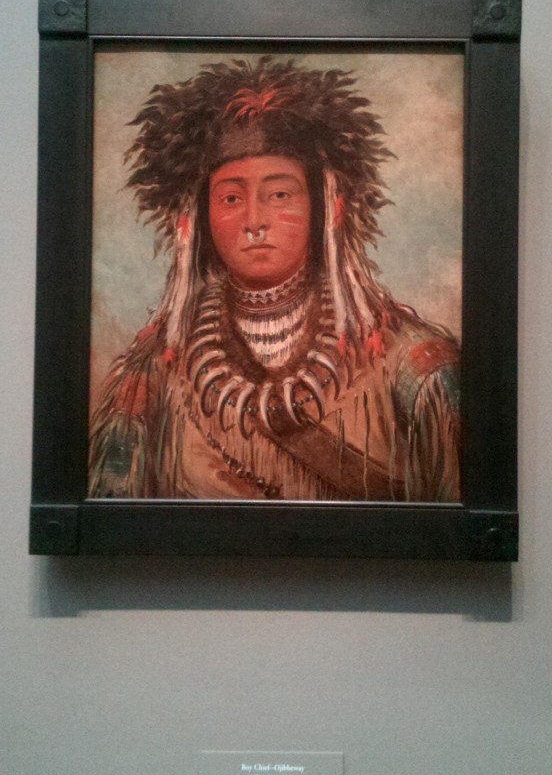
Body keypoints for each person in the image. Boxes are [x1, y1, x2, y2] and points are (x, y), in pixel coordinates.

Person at [89, 56, 460, 502]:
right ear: (197, 219)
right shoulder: (154, 373)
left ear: (327, 208)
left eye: (280, 194)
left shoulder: (413, 365)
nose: (254, 221)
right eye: (230, 198)